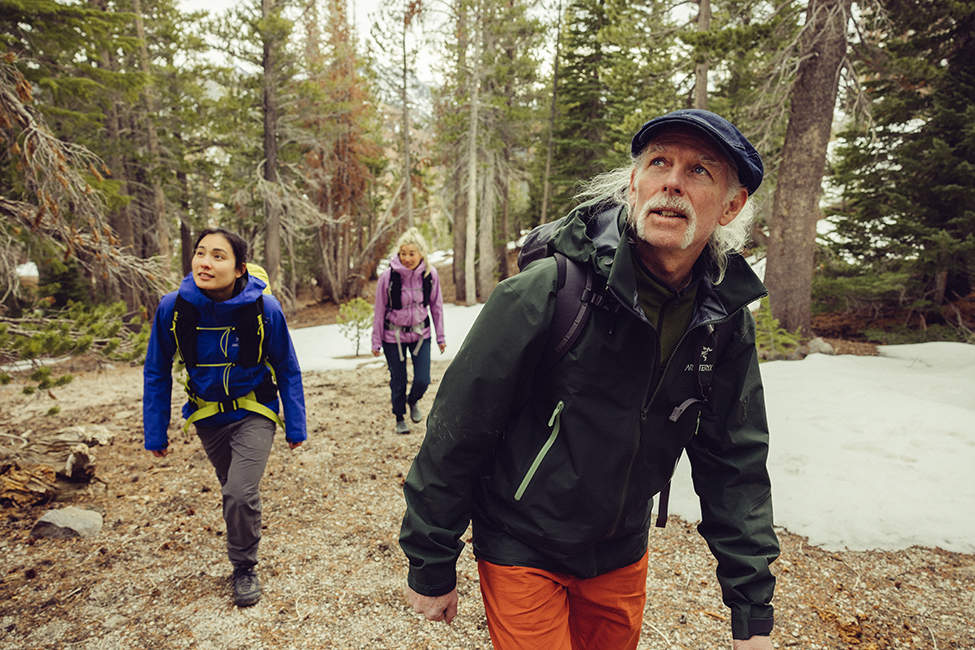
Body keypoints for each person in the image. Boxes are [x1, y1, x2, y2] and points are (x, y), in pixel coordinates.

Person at [399, 109, 778, 649]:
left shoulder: (722, 320)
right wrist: (431, 559)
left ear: (732, 205)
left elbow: (734, 460)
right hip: (521, 544)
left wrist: (751, 608)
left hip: (621, 549)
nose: (671, 181)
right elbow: (457, 429)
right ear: (634, 183)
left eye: (699, 171)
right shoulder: (551, 290)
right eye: (659, 163)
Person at [143, 227, 307, 608]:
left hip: (255, 410)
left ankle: (244, 567)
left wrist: (295, 425)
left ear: (238, 269)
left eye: (219, 255)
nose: (206, 262)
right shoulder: (173, 308)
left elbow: (287, 367)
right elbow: (156, 370)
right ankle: (243, 536)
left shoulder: (266, 309)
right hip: (207, 416)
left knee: (239, 491)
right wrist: (156, 432)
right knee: (233, 490)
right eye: (201, 253)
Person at [372, 227, 446, 435]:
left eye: (411, 254)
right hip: (392, 336)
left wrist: (440, 336)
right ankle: (399, 416)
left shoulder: (429, 275)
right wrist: (375, 341)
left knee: (423, 379)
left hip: (421, 334)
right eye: (403, 253)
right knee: (399, 379)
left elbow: (437, 307)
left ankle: (412, 401)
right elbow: (379, 310)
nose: (407, 258)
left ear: (421, 254)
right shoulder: (388, 277)